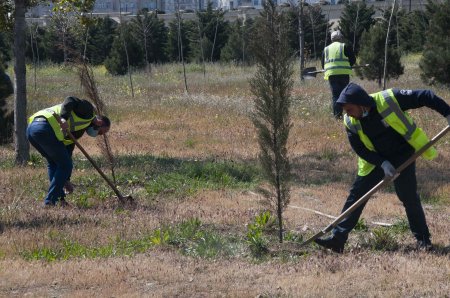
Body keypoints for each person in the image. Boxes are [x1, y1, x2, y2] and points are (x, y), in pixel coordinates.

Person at [315, 83, 450, 253]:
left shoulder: (389, 99)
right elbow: (360, 149)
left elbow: (425, 96)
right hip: (376, 160)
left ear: (360, 104)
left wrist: (447, 112)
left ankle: (423, 240)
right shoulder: (350, 121)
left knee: (408, 197)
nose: (347, 114)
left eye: (349, 109)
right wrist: (383, 163)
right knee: (357, 196)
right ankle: (337, 239)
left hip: (403, 155)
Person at [27, 96, 111, 206]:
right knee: (65, 165)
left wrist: (66, 180)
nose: (98, 135)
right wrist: (63, 118)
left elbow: (67, 153)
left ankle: (60, 199)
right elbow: (70, 100)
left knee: (55, 163)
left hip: (32, 131)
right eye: (100, 132)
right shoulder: (88, 112)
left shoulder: (78, 132)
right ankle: (50, 201)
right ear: (99, 122)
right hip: (44, 127)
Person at [322, 30, 356, 119]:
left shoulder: (326, 49)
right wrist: (348, 66)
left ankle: (337, 116)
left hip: (332, 75)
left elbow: (323, 64)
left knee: (336, 95)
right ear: (341, 38)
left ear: (331, 39)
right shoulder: (345, 46)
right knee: (344, 94)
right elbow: (353, 60)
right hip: (344, 74)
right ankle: (349, 114)